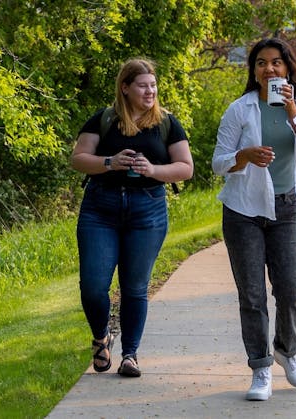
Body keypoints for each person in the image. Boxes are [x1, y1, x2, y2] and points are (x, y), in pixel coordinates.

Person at [212, 38, 296, 401]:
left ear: (288, 68)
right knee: (253, 294)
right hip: (243, 211)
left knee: (291, 288)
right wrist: (242, 156)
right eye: (262, 63)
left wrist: (292, 111)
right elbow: (218, 163)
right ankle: (260, 368)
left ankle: (286, 351)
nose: (269, 69)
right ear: (254, 71)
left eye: (277, 63)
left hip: (286, 207)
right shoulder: (239, 109)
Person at [69, 58, 193, 378]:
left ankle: (130, 355)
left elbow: (185, 168)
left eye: (153, 85)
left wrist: (152, 170)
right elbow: (79, 159)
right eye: (142, 85)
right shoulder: (104, 120)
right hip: (100, 209)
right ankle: (101, 337)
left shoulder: (167, 123)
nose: (149, 91)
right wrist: (110, 162)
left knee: (135, 287)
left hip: (147, 209)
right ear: (125, 88)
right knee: (94, 287)